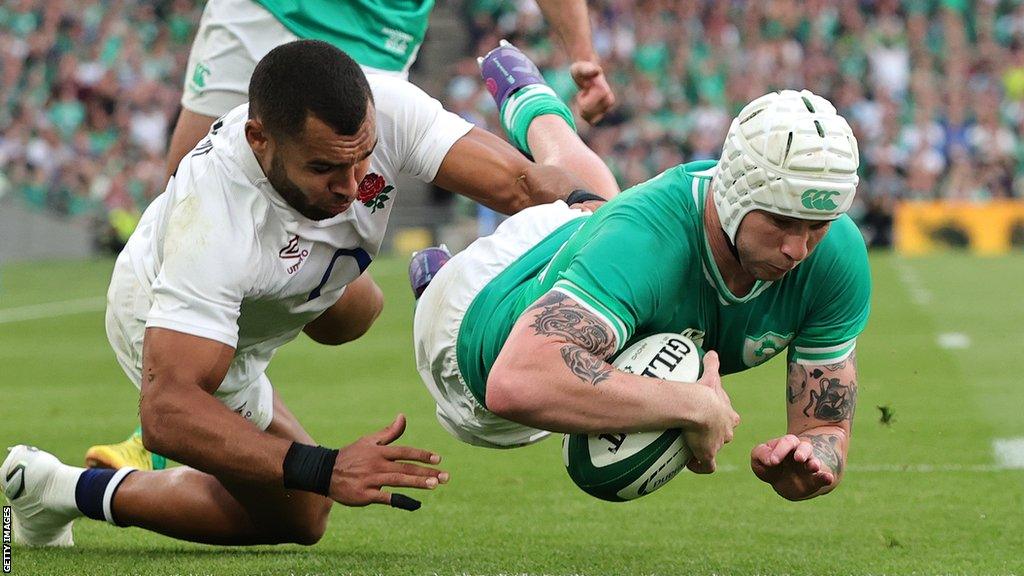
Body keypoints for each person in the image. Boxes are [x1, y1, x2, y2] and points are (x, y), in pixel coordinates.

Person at [0, 40, 593, 548]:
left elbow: (523, 184)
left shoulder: (384, 106)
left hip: (302, 279)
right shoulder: (216, 223)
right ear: (259, 139)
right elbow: (166, 410)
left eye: (363, 158)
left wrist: (594, 228)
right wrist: (326, 467)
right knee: (304, 515)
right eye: (326, 169)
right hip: (175, 320)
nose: (353, 184)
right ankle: (54, 489)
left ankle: (334, 283)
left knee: (359, 311)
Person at [412, 88, 869, 501]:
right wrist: (694, 405)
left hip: (586, 251)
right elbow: (516, 382)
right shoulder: (647, 238)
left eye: (816, 227)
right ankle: (436, 281)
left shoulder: (836, 255)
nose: (798, 249)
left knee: (595, 204)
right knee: (590, 206)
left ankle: (526, 95)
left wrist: (815, 459)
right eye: (781, 222)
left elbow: (825, 425)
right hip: (471, 336)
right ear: (733, 195)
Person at [165, 0, 618, 192]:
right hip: (265, 10)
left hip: (379, 43)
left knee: (342, 290)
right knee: (185, 190)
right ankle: (534, 109)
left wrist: (582, 53)